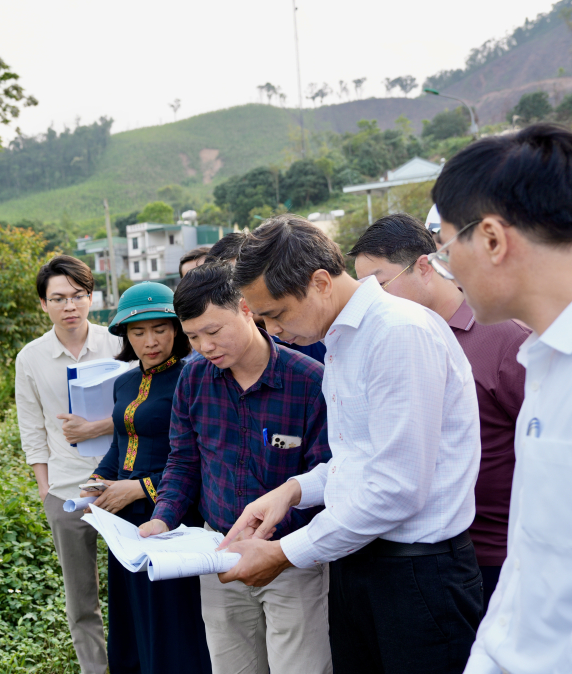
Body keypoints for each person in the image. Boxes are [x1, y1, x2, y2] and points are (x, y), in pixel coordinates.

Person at [220, 216, 483, 674]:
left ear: (320, 282)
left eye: (277, 314)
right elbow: (359, 459)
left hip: (417, 577)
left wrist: (284, 553)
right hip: (359, 562)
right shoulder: (341, 338)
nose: (272, 331)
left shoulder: (398, 332)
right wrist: (293, 491)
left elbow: (396, 486)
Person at [429, 123, 572, 674]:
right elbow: (532, 564)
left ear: (494, 239)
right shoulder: (545, 359)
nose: (446, 269)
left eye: (447, 247)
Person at [137, 262, 333, 674]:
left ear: (246, 309)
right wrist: (163, 518)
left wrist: (270, 543)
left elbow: (326, 478)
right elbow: (183, 460)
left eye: (213, 331)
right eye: (192, 337)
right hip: (218, 556)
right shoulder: (193, 379)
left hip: (289, 558)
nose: (205, 346)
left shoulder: (309, 382)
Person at [349, 212, 529, 611]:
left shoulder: (503, 338)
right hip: (424, 556)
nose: (374, 301)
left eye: (380, 285)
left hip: (501, 555)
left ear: (425, 266)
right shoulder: (389, 342)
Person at [83, 282, 212, 674]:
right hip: (122, 520)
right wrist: (98, 478)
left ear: (176, 329)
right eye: (138, 332)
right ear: (125, 335)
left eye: (159, 329)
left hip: (170, 515)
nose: (150, 341)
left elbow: (198, 458)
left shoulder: (194, 379)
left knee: (173, 620)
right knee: (132, 615)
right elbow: (120, 444)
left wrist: (139, 488)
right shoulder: (123, 382)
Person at [14, 255, 121, 674]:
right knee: (81, 601)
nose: (69, 306)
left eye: (77, 295)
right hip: (65, 493)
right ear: (44, 305)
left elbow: (142, 409)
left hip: (119, 484)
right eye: (58, 298)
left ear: (91, 297)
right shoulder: (31, 358)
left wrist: (96, 427)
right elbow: (32, 431)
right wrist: (46, 494)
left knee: (132, 591)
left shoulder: (117, 342)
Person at [208, 229, 327, 364]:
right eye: (229, 286)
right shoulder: (215, 358)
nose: (241, 292)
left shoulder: (315, 335)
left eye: (247, 279)